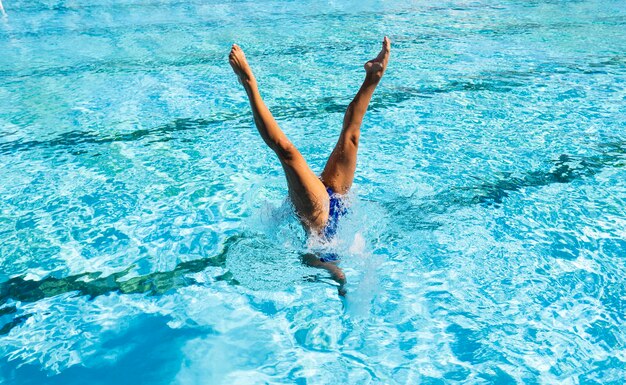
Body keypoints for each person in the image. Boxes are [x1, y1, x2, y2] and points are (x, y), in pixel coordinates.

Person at [229, 37, 391, 296]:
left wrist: (338, 279)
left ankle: (248, 82)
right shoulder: (330, 260)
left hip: (322, 216)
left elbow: (315, 263)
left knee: (289, 152)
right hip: (335, 201)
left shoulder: (326, 259)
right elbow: (324, 267)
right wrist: (339, 281)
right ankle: (373, 76)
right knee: (349, 137)